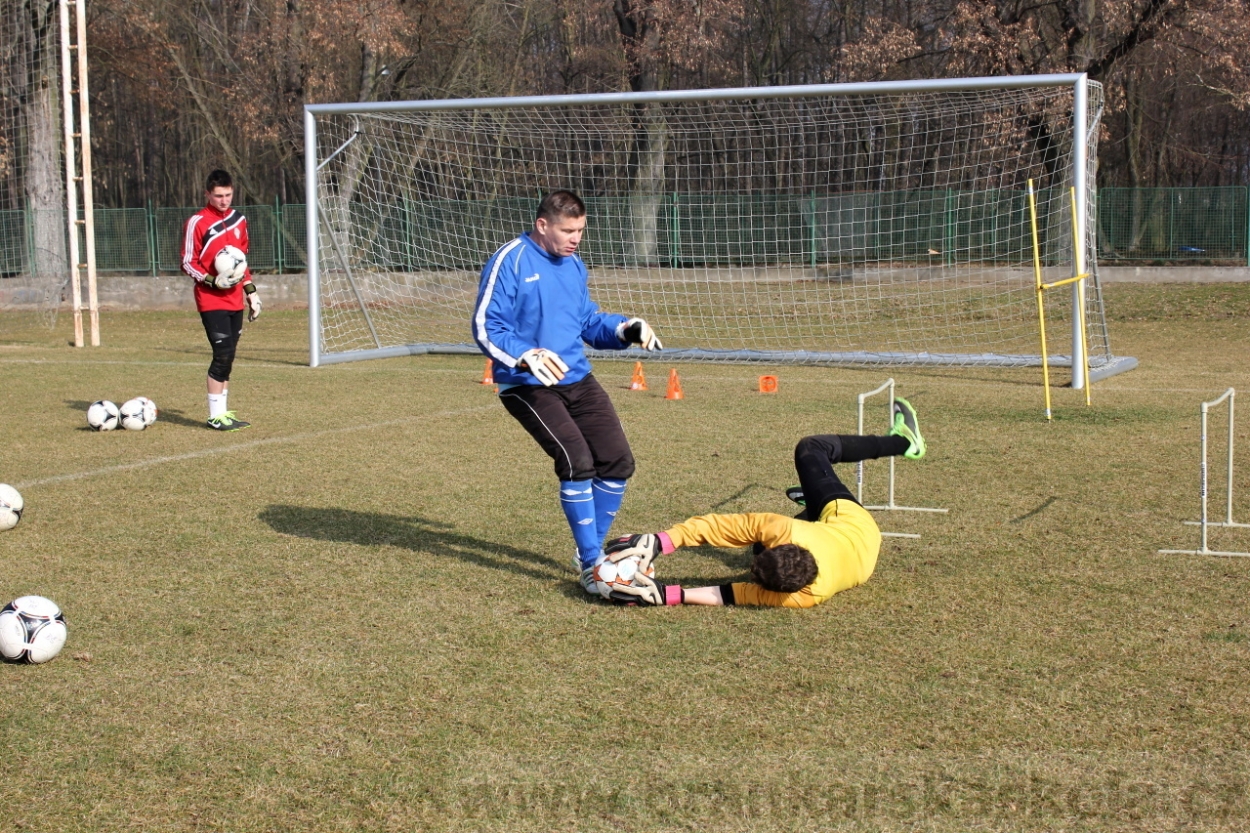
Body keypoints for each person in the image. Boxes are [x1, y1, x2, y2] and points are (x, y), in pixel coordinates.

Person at [472, 189, 663, 594]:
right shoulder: (511, 260)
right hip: (528, 386)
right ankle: (594, 565)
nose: (575, 238)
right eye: (567, 230)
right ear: (543, 225)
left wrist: (624, 329)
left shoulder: (574, 263)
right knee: (577, 462)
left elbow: (586, 321)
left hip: (578, 379)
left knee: (617, 462)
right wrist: (526, 356)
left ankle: (588, 555)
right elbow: (488, 327)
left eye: (580, 230)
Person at [601, 397, 927, 607]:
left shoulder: (803, 595)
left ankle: (900, 445)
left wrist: (667, 595)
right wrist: (661, 541)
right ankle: (899, 444)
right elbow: (721, 529)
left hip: (856, 553)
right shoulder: (788, 546)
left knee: (757, 547)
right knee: (811, 449)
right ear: (788, 540)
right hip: (855, 525)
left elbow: (730, 594)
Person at [180, 169, 263, 431]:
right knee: (222, 354)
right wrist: (211, 281)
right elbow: (187, 262)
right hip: (210, 298)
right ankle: (214, 416)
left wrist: (251, 291)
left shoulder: (239, 220)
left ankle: (224, 413)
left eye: (228, 195)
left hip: (234, 299)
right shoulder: (198, 222)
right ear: (208, 194)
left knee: (229, 356)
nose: (224, 200)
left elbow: (242, 262)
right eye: (218, 196)